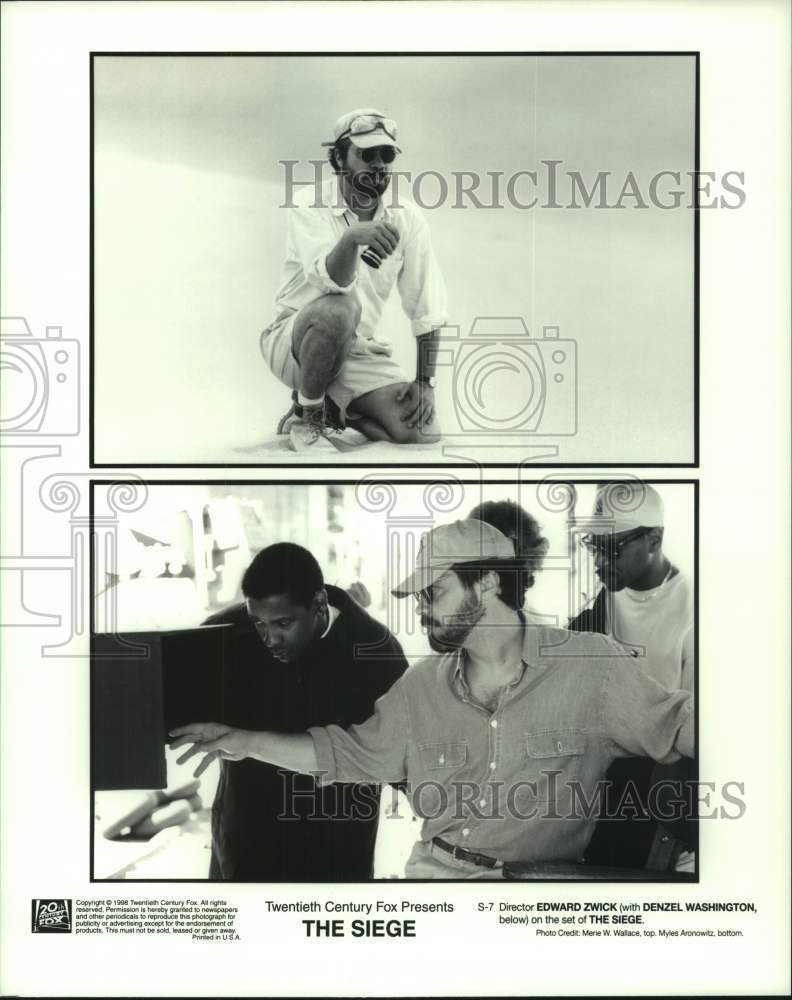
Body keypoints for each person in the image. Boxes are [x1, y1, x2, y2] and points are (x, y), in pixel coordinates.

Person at [173, 520, 693, 880]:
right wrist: (241, 741)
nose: (422, 611)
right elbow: (344, 754)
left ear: (486, 583)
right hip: (432, 886)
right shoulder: (421, 686)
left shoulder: (592, 667)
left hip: (532, 899)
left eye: (433, 593)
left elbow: (682, 728)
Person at [199, 542, 407, 880]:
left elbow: (400, 757)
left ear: (319, 603)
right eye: (259, 624)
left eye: (283, 623)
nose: (270, 639)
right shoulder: (224, 635)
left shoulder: (376, 651)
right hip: (246, 848)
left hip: (337, 851)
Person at [261, 108, 448, 452]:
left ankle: (337, 410)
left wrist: (425, 381)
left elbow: (427, 305)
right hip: (295, 342)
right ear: (338, 159)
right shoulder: (309, 204)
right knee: (339, 308)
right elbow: (330, 282)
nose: (378, 164)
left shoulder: (407, 217)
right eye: (366, 154)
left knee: (422, 431)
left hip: (357, 349)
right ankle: (308, 416)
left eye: (386, 154)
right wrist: (352, 238)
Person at [568, 481, 695, 870]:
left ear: (654, 539)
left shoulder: (696, 611)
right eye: (594, 545)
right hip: (598, 780)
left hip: (662, 783)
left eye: (613, 547)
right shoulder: (602, 602)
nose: (600, 560)